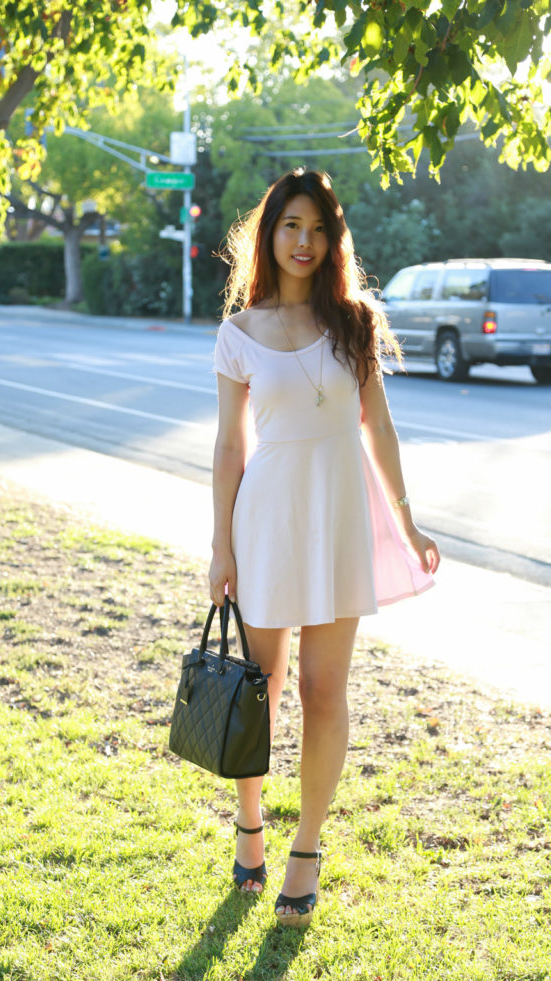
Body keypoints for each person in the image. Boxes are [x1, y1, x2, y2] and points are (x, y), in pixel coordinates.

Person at [209, 168, 440, 928]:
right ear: (268, 234)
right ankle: (250, 828)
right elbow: (228, 449)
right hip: (267, 521)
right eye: (290, 227)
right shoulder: (239, 333)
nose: (304, 242)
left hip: (342, 518)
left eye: (317, 229)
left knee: (323, 691)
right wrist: (220, 546)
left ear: (331, 240)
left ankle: (306, 849)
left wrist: (405, 522)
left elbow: (378, 427)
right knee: (260, 689)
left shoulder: (356, 321)